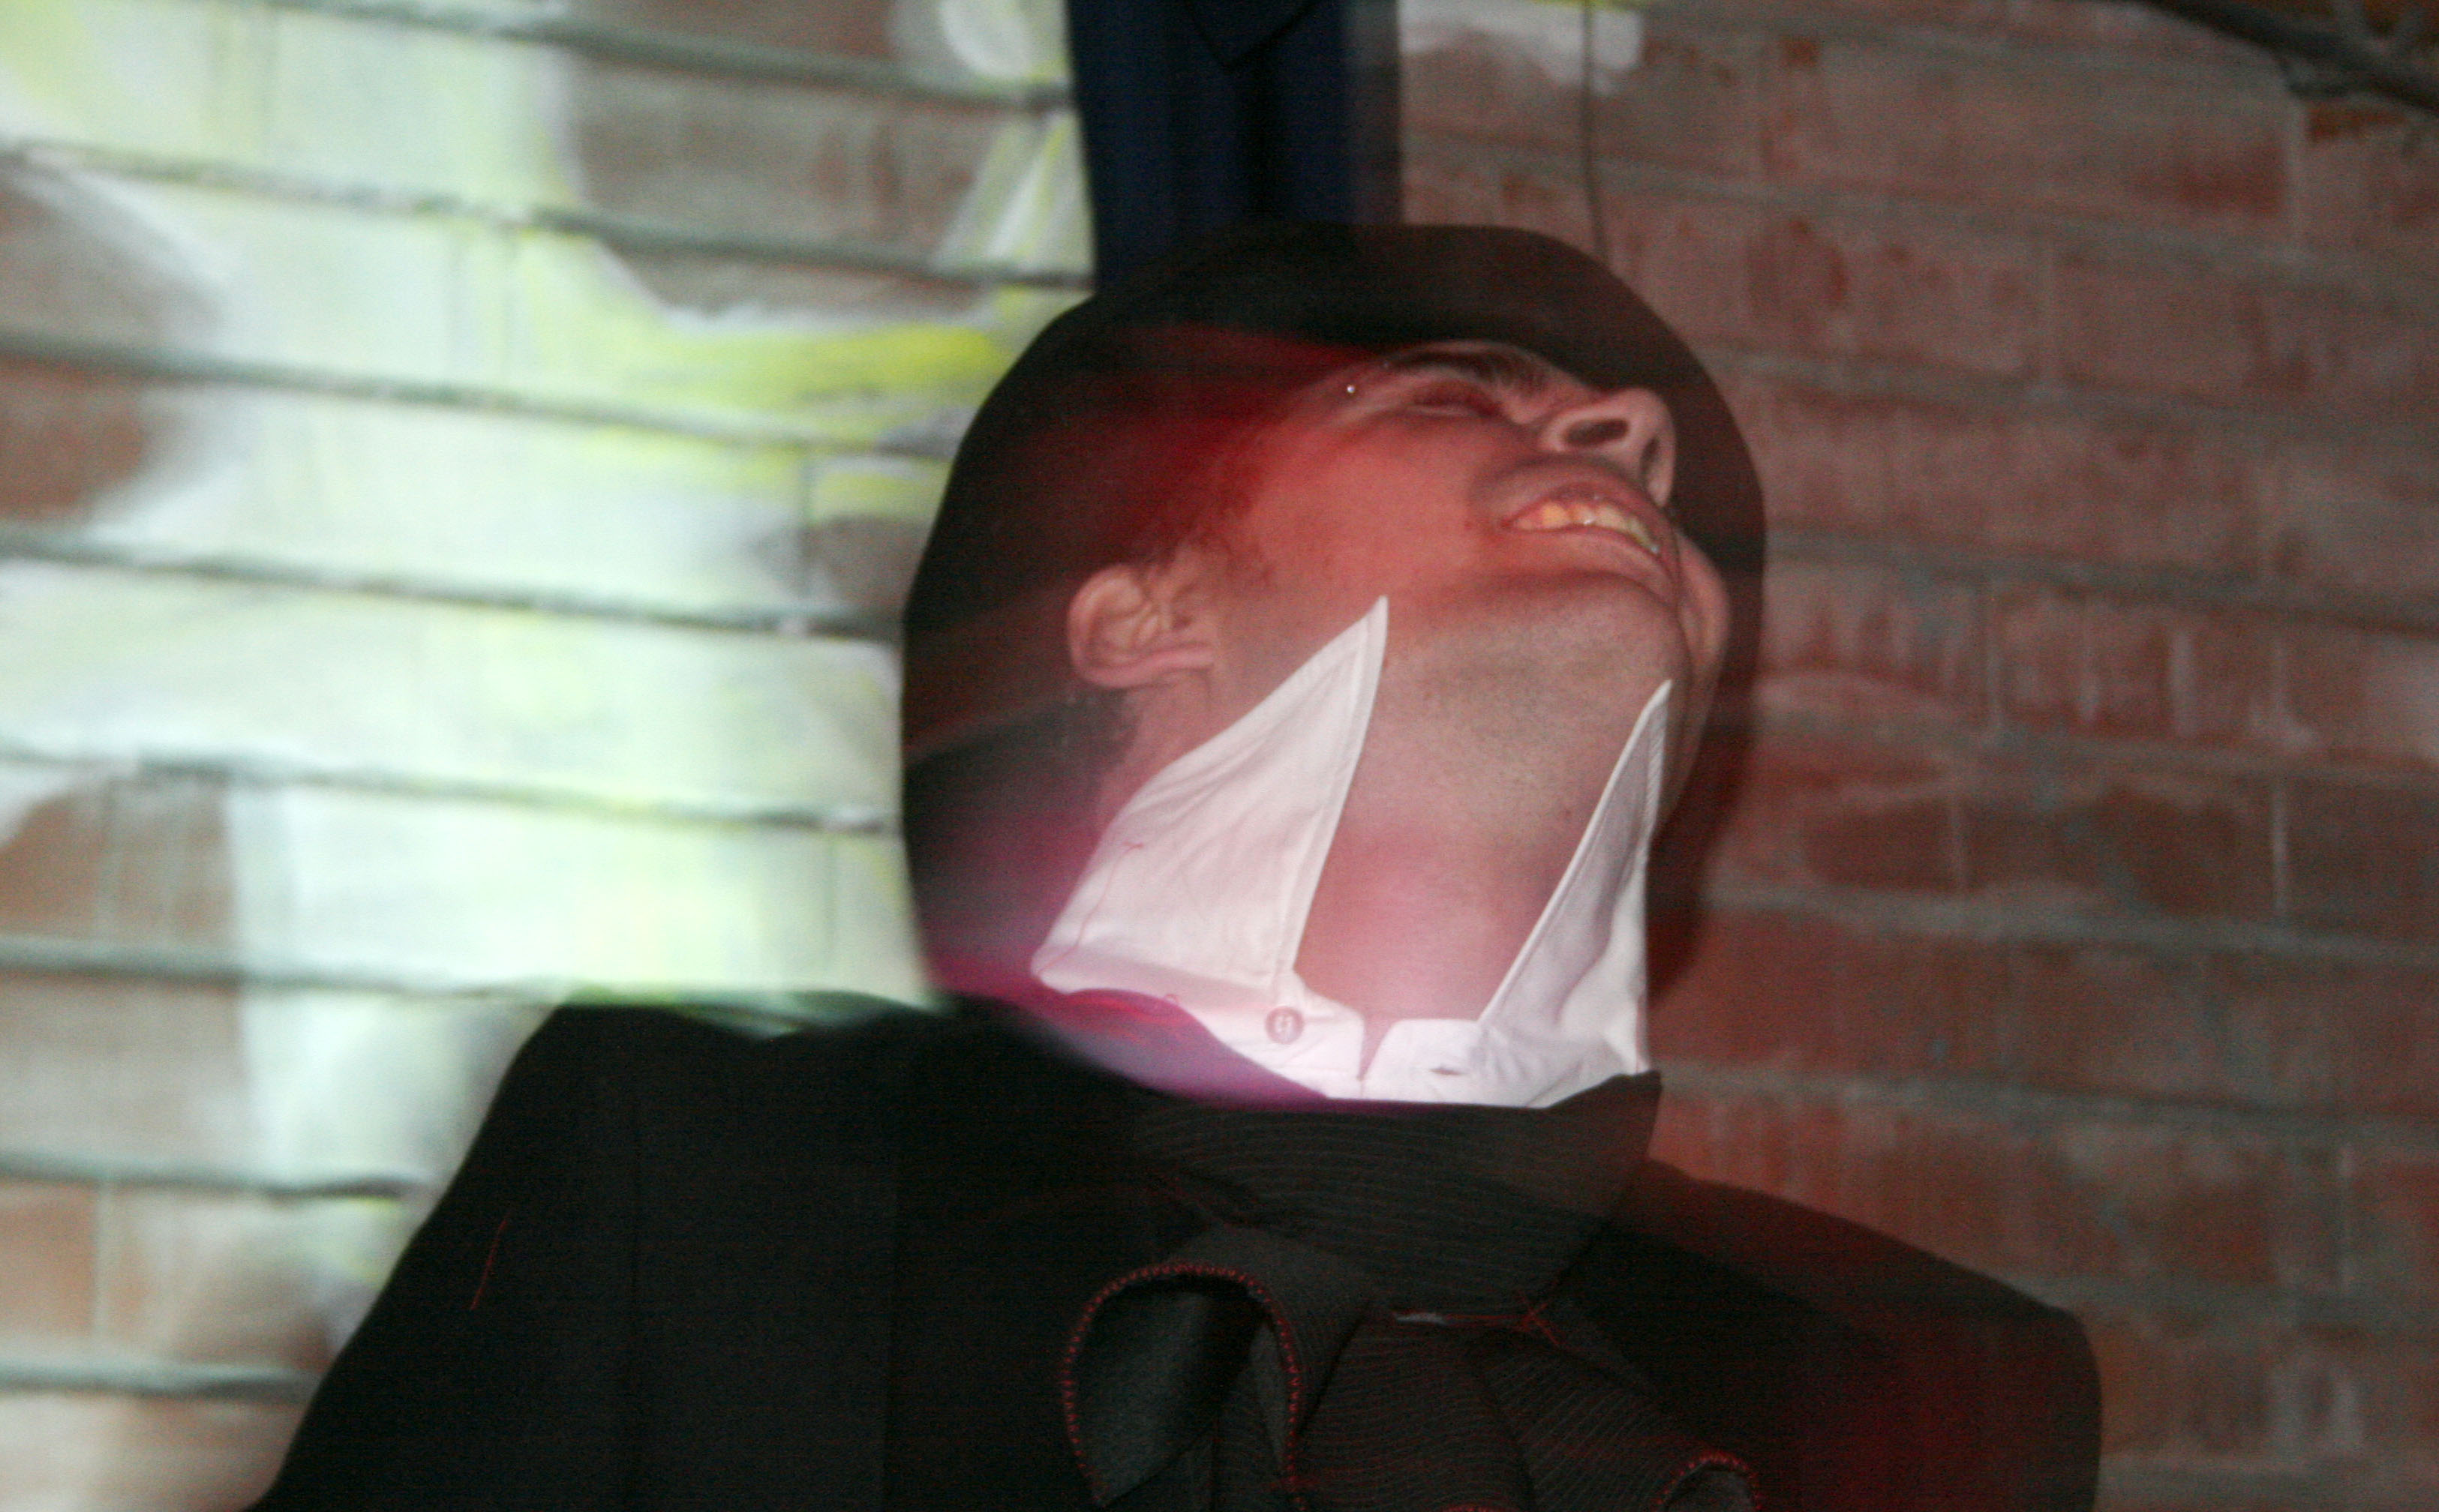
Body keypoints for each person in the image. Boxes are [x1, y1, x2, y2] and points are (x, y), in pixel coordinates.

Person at [249, 224, 2099, 1511]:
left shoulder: (1923, 1389)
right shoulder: (707, 1185)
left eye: (1639, 457)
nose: (1633, 438)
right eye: (1454, 396)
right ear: (1142, 617)